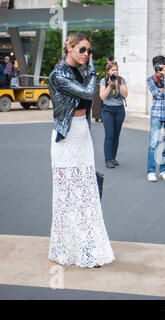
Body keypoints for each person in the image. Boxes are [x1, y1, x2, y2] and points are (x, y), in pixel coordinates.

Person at [48, 33, 115, 268]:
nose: (87, 55)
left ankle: (87, 246)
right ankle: (66, 247)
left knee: (86, 193)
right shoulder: (58, 74)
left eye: (89, 51)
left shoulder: (82, 71)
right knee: (67, 195)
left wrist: (91, 72)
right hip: (65, 138)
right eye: (83, 50)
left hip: (82, 135)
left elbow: (88, 100)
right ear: (69, 47)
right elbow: (88, 94)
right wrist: (95, 70)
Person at [99, 61, 128, 168]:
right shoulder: (104, 81)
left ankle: (112, 158)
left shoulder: (121, 80)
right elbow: (102, 97)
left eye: (116, 69)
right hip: (108, 110)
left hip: (119, 110)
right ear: (108, 72)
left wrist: (117, 84)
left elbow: (125, 94)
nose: (115, 72)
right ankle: (107, 159)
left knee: (116, 135)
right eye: (112, 70)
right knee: (109, 135)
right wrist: (110, 87)